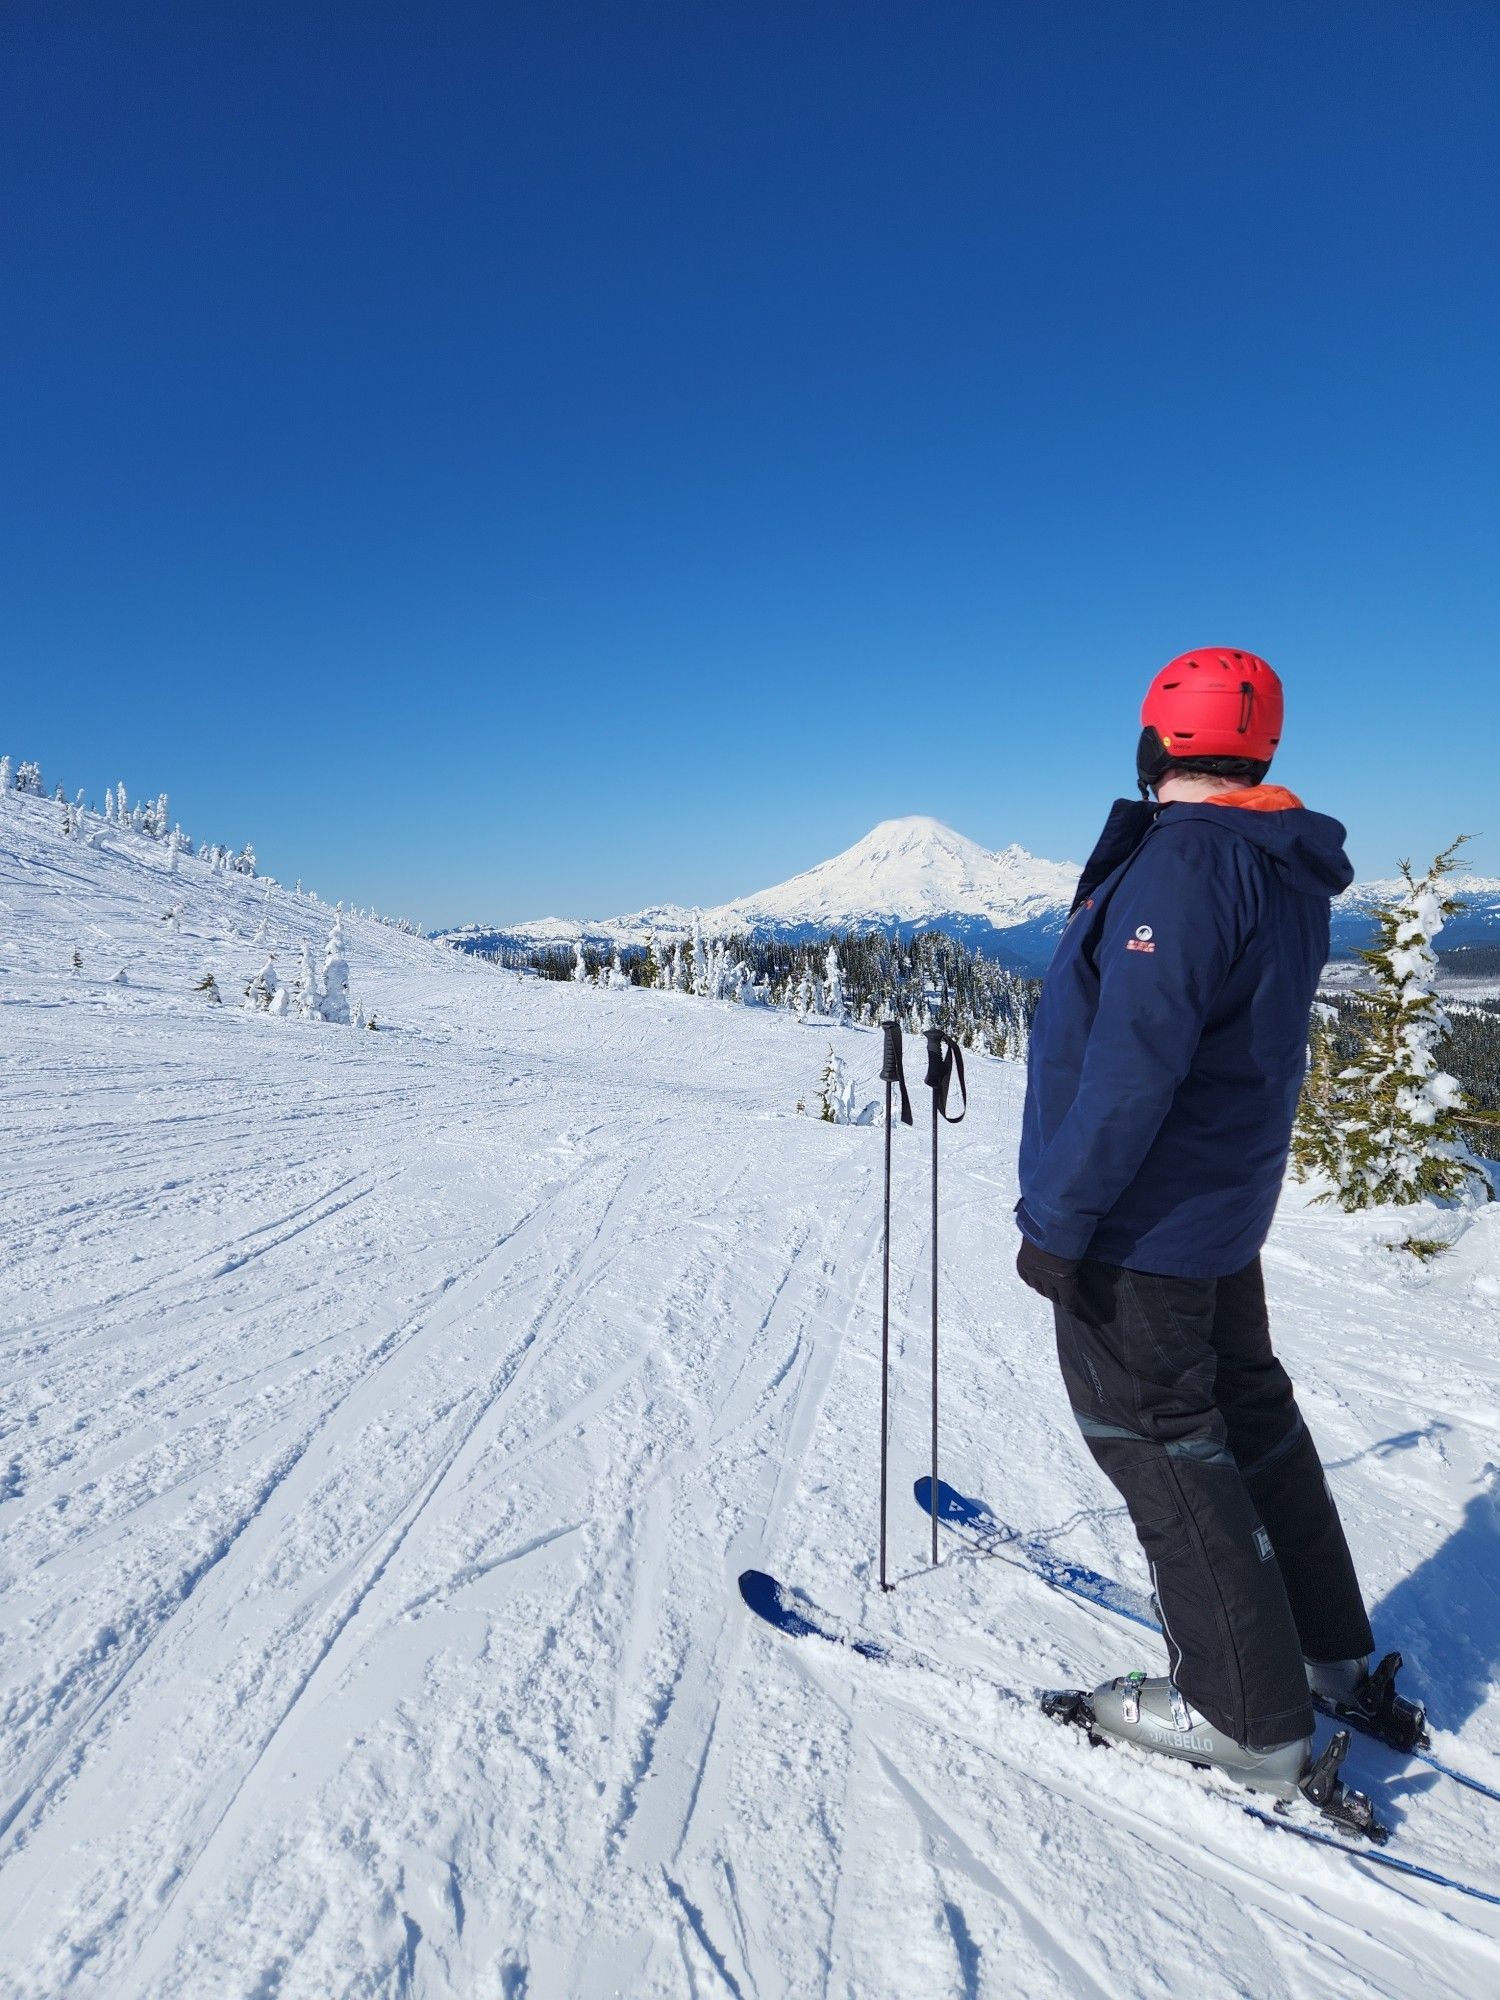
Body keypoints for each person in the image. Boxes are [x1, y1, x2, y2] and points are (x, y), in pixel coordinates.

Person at [1014, 647, 1395, 1803]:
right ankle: (1327, 1648)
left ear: (1158, 740)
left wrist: (1060, 1220)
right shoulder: (1277, 861)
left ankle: (1244, 1711)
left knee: (1157, 1434)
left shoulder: (1188, 864)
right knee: (1250, 1412)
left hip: (1146, 1223)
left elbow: (1134, 1066)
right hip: (1221, 1205)